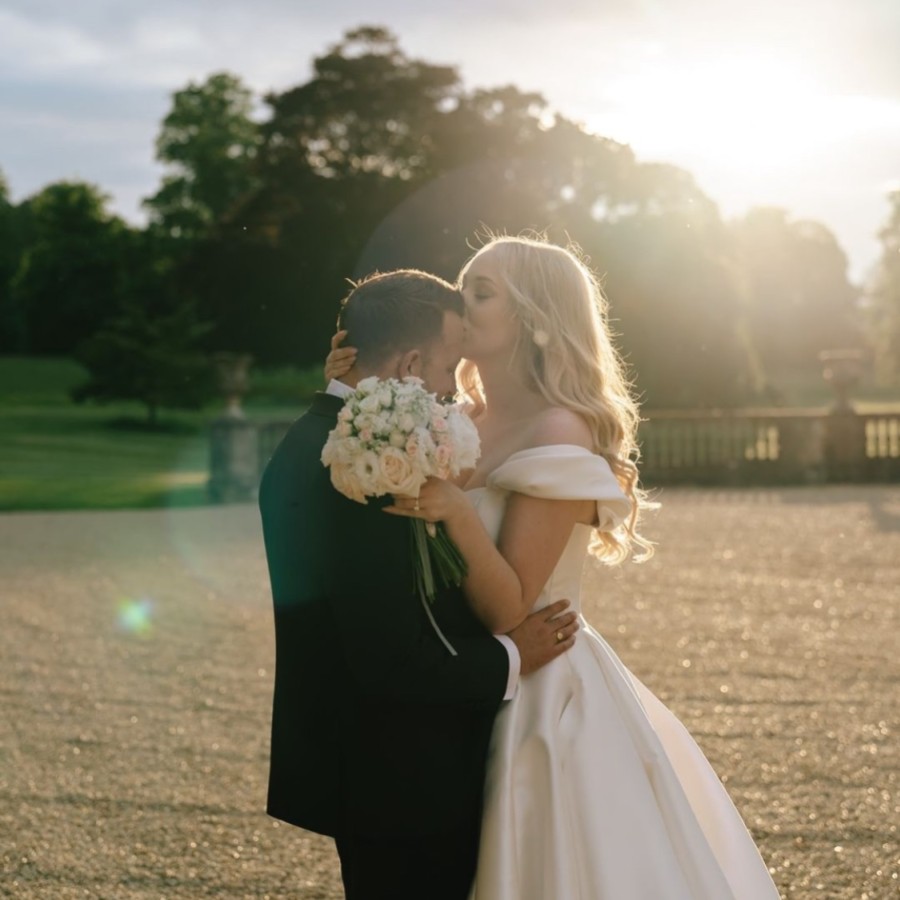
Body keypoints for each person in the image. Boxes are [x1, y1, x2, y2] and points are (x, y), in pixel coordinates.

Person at [325, 237, 781, 899]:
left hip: (540, 692)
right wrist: (351, 389)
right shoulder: (454, 417)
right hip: (456, 686)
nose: (460, 305)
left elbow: (512, 609)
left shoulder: (558, 431)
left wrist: (455, 511)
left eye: (481, 293)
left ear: (536, 318)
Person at [258, 268, 580, 900]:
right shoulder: (362, 470)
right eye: (446, 366)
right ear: (408, 363)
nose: (450, 389)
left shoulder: (313, 440)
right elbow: (394, 662)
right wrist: (517, 654)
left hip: (366, 767)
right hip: (403, 777)